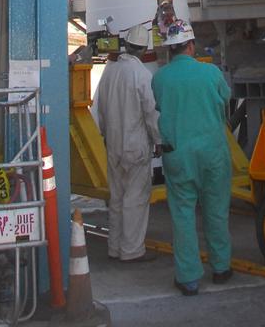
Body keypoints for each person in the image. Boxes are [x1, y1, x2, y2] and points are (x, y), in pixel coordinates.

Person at [151, 19, 232, 296]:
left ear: (169, 49)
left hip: (179, 155)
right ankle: (221, 267)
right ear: (191, 45)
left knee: (183, 215)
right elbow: (226, 97)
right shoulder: (211, 73)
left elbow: (161, 105)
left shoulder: (159, 78)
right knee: (216, 210)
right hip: (213, 153)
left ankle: (188, 278)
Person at [92, 23, 160, 263]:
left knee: (117, 197)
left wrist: (103, 133)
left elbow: (97, 107)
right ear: (143, 50)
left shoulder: (110, 72)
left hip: (113, 145)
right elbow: (151, 113)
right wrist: (160, 140)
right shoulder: (142, 75)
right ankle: (131, 250)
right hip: (135, 147)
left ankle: (114, 247)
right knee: (135, 199)